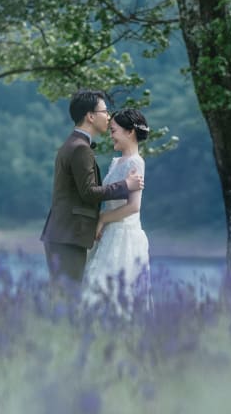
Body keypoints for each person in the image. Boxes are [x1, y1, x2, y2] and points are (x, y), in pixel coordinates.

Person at [41, 90, 144, 286]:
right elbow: (88, 193)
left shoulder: (74, 143)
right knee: (68, 297)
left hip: (64, 233)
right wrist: (126, 185)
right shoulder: (80, 148)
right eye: (105, 111)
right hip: (69, 235)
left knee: (63, 296)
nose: (108, 116)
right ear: (90, 116)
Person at [81, 107, 151, 314]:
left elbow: (134, 206)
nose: (111, 136)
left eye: (114, 131)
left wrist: (102, 218)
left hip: (123, 236)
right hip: (108, 234)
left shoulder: (136, 162)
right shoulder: (115, 161)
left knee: (117, 296)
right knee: (95, 289)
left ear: (130, 132)